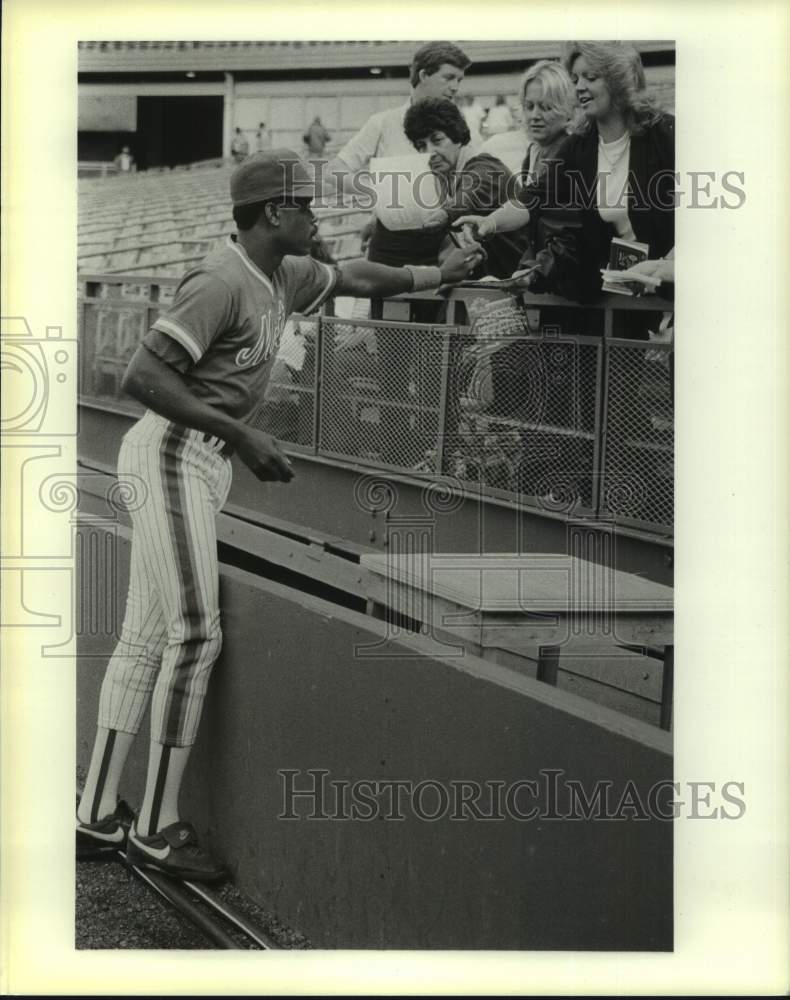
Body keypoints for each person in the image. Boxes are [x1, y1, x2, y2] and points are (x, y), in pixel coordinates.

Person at [75, 149, 483, 881]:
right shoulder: (221, 279)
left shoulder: (284, 274)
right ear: (273, 212)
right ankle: (158, 828)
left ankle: (97, 813)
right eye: (305, 205)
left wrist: (435, 275)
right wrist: (240, 433)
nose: (316, 216)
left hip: (197, 457)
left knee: (145, 635)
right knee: (195, 632)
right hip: (172, 450)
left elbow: (357, 274)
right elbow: (143, 375)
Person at [457, 41, 675, 306]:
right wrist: (489, 222)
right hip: (621, 291)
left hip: (671, 293)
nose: (579, 86)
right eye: (575, 79)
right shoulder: (579, 146)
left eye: (591, 77)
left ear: (619, 80)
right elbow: (534, 198)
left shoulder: (664, 134)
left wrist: (669, 266)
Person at [320, 41, 471, 267]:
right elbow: (333, 172)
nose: (455, 87)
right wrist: (380, 195)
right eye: (449, 78)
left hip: (442, 243)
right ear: (423, 75)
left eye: (459, 80)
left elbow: (474, 179)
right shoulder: (383, 123)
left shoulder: (462, 126)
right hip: (391, 243)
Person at [402, 97, 529, 278]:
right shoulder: (450, 175)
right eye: (421, 146)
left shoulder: (484, 166)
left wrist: (445, 214)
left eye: (437, 140)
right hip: (498, 276)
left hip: (519, 279)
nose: (429, 153)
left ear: (457, 137)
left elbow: (471, 192)